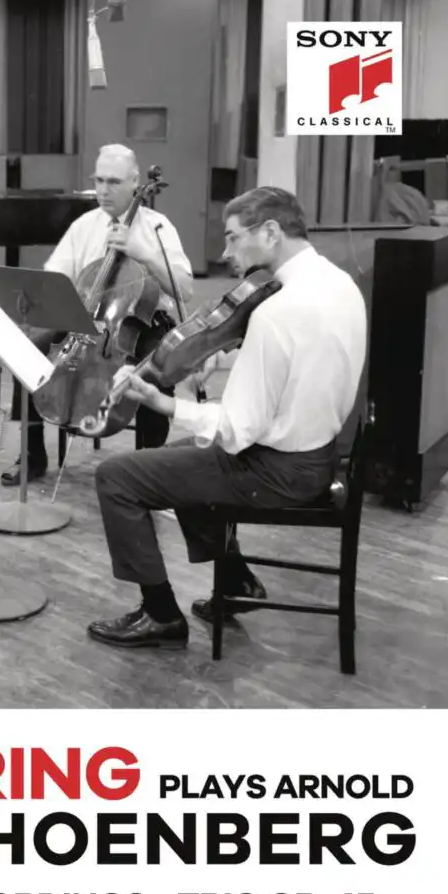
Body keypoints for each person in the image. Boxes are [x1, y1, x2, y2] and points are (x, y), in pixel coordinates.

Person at [87, 186, 367, 650]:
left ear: (271, 233)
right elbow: (301, 365)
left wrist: (162, 402)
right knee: (180, 464)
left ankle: (160, 615)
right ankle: (237, 581)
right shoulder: (339, 284)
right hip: (319, 456)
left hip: (276, 471)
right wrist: (230, 356)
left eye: (234, 237)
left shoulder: (278, 312)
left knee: (117, 477)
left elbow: (236, 431)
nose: (225, 252)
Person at [2, 143, 194, 486]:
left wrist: (145, 254)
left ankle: (150, 467)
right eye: (99, 180)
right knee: (25, 355)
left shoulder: (158, 227)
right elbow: (54, 278)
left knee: (155, 368)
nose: (103, 190)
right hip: (86, 320)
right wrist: (39, 297)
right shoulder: (84, 226)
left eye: (114, 182)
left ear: (135, 182)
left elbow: (184, 290)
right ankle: (32, 455)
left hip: (145, 321)